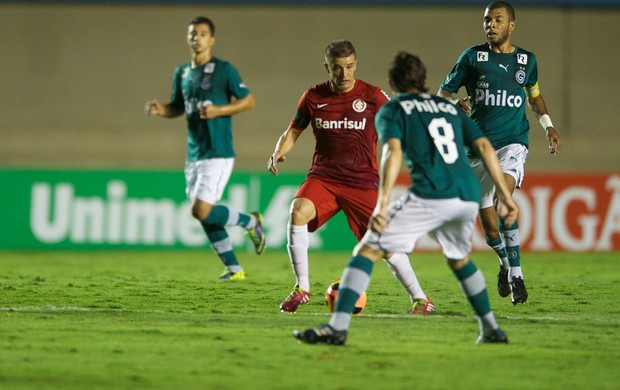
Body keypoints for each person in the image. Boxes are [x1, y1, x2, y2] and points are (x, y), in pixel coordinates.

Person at [294, 51, 519, 346]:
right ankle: (491, 328)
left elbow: (392, 152)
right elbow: (485, 147)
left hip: (431, 192)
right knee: (459, 259)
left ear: (393, 82)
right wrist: (506, 197)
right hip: (466, 194)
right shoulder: (446, 107)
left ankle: (337, 328)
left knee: (367, 251)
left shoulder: (394, 109)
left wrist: (383, 203)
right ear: (424, 79)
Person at [268, 40, 433, 315]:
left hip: (362, 181)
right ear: (327, 68)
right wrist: (277, 151)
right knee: (297, 211)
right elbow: (293, 131)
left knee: (386, 242)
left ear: (355, 65)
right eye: (337, 68)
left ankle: (420, 299)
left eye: (349, 67)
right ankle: (302, 289)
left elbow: (404, 119)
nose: (344, 74)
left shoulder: (373, 96)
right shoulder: (312, 97)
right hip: (324, 178)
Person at [438, 1, 563, 305]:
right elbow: (444, 93)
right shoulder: (472, 58)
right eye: (486, 20)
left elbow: (535, 96)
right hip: (478, 146)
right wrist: (454, 105)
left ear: (511, 26)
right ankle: (505, 265)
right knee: (489, 225)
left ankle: (517, 276)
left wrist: (547, 125)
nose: (490, 25)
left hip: (513, 142)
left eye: (497, 20)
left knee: (504, 201)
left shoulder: (526, 61)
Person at [146, 16, 265, 280]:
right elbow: (177, 106)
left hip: (218, 151)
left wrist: (219, 110)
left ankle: (250, 222)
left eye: (202, 33)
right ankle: (234, 269)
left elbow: (249, 101)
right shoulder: (182, 73)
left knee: (201, 209)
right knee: (205, 214)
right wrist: (160, 110)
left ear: (211, 39)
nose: (196, 38)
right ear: (188, 38)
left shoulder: (224, 70)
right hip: (194, 154)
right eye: (192, 33)